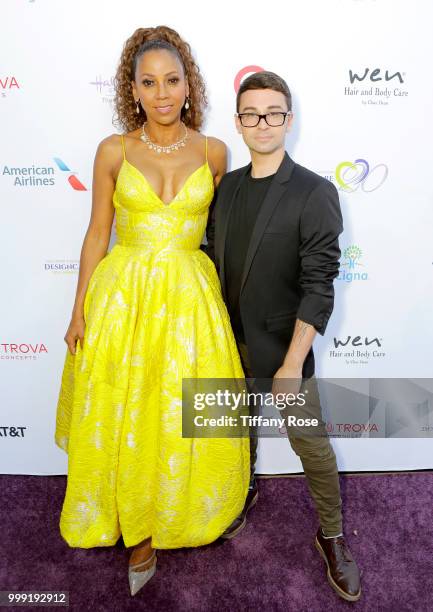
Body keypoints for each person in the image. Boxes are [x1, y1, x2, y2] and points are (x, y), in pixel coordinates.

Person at [54, 25, 249, 597]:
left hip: (189, 297)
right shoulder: (113, 150)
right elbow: (96, 236)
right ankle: (134, 529)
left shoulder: (216, 152)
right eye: (148, 82)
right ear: (132, 90)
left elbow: (218, 236)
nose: (162, 93)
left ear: (188, 85)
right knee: (129, 410)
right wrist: (77, 312)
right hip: (124, 296)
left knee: (180, 407)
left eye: (172, 80)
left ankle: (181, 515)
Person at [204, 71, 361, 602]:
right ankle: (241, 494)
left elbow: (319, 287)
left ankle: (332, 534)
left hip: (284, 352)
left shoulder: (315, 191)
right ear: (239, 123)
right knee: (235, 435)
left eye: (274, 112)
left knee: (311, 447)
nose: (262, 122)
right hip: (229, 346)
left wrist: (293, 364)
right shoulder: (223, 188)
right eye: (251, 114)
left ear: (288, 120)